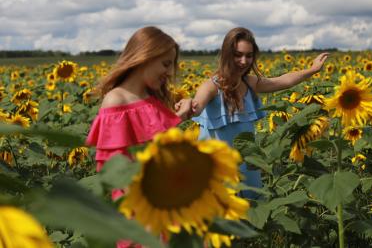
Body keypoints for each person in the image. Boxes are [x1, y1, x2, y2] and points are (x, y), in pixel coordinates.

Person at [189, 27, 328, 199]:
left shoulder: (249, 83)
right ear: (226, 54)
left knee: (251, 214)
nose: (244, 61)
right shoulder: (211, 86)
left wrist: (312, 70)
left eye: (249, 55)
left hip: (247, 166)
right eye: (238, 55)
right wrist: (188, 105)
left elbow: (282, 81)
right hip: (216, 168)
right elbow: (197, 105)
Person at [86, 26, 192, 200]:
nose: (171, 72)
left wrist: (181, 116)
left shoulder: (151, 98)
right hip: (139, 206)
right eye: (166, 64)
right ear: (145, 57)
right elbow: (117, 172)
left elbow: (156, 144)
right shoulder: (116, 101)